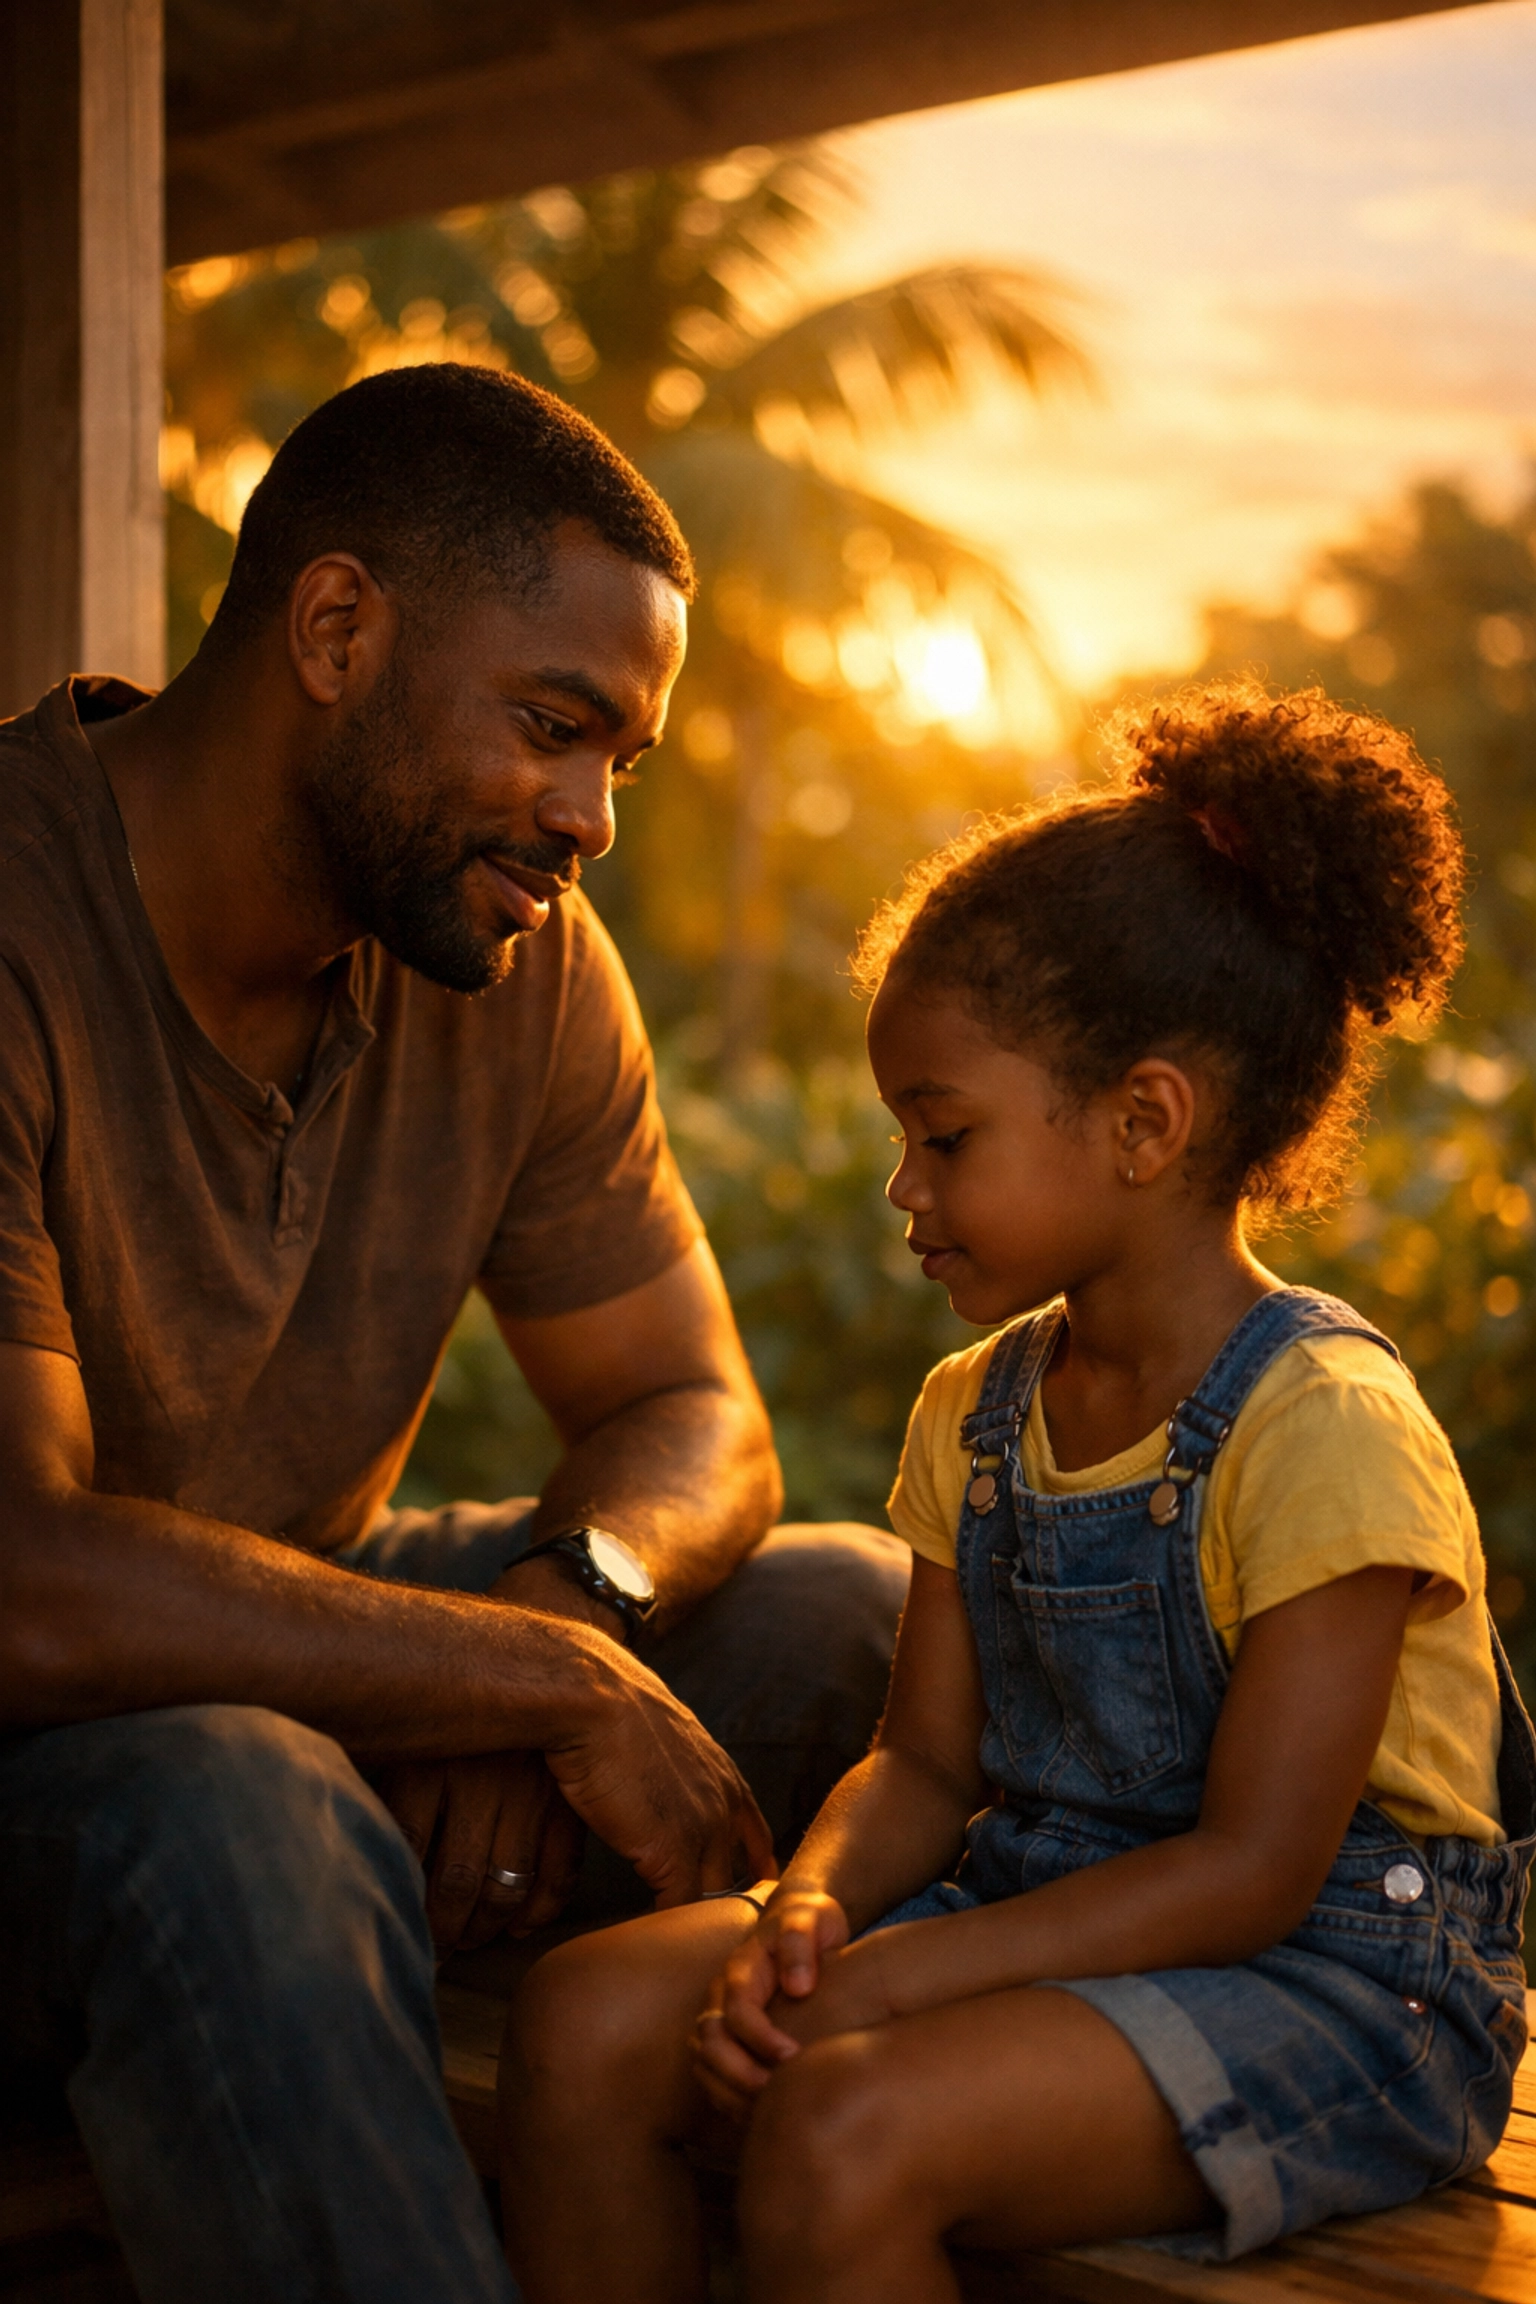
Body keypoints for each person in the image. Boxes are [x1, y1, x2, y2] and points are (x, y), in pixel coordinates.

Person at [0, 363, 907, 2304]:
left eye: (623, 763)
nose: (590, 817)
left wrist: (567, 1619)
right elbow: (25, 1581)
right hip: (59, 1762)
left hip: (304, 1658)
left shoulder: (514, 962)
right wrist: (526, 1684)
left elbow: (692, 1409)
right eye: (552, 725)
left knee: (868, 1618)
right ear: (337, 629)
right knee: (238, 1800)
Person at [503, 679, 1536, 2304]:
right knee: (584, 2023)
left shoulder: (1324, 1426)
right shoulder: (978, 1414)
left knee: (846, 2125)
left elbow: (1256, 1868)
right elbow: (923, 1762)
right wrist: (817, 1915)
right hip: (1048, 1901)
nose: (904, 1191)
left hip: (1344, 1981)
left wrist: (908, 1987)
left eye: (946, 1134)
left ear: (1143, 1121)